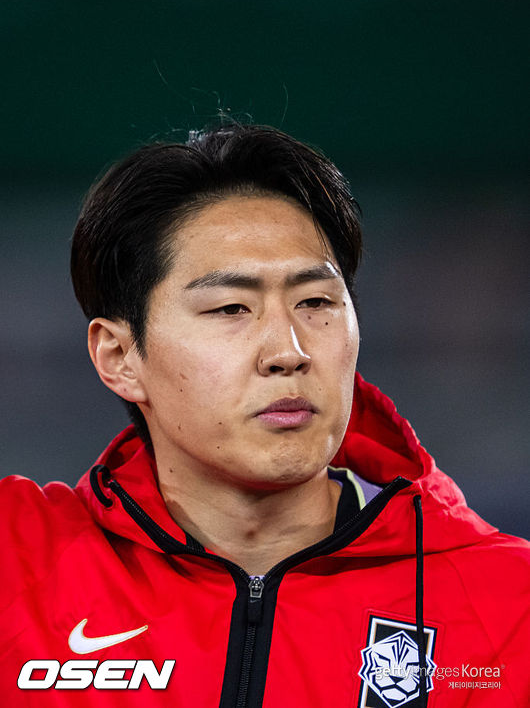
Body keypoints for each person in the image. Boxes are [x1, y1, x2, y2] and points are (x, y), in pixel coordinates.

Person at [1, 124, 528, 707]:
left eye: (316, 302)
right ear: (120, 357)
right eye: (232, 308)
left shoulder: (510, 606)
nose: (289, 352)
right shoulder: (15, 564)